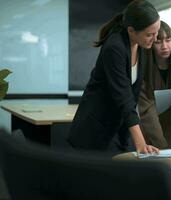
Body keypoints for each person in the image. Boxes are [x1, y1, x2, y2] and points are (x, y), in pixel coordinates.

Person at [67, 0, 160, 154]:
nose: (155, 38)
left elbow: (133, 95)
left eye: (156, 32)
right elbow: (123, 96)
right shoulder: (114, 47)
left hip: (118, 128)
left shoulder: (141, 46)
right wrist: (141, 142)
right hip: (95, 129)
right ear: (131, 31)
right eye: (150, 34)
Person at [138, 21, 171, 149]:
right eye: (158, 42)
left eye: (168, 40)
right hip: (149, 120)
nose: (164, 46)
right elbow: (146, 108)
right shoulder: (143, 65)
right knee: (157, 151)